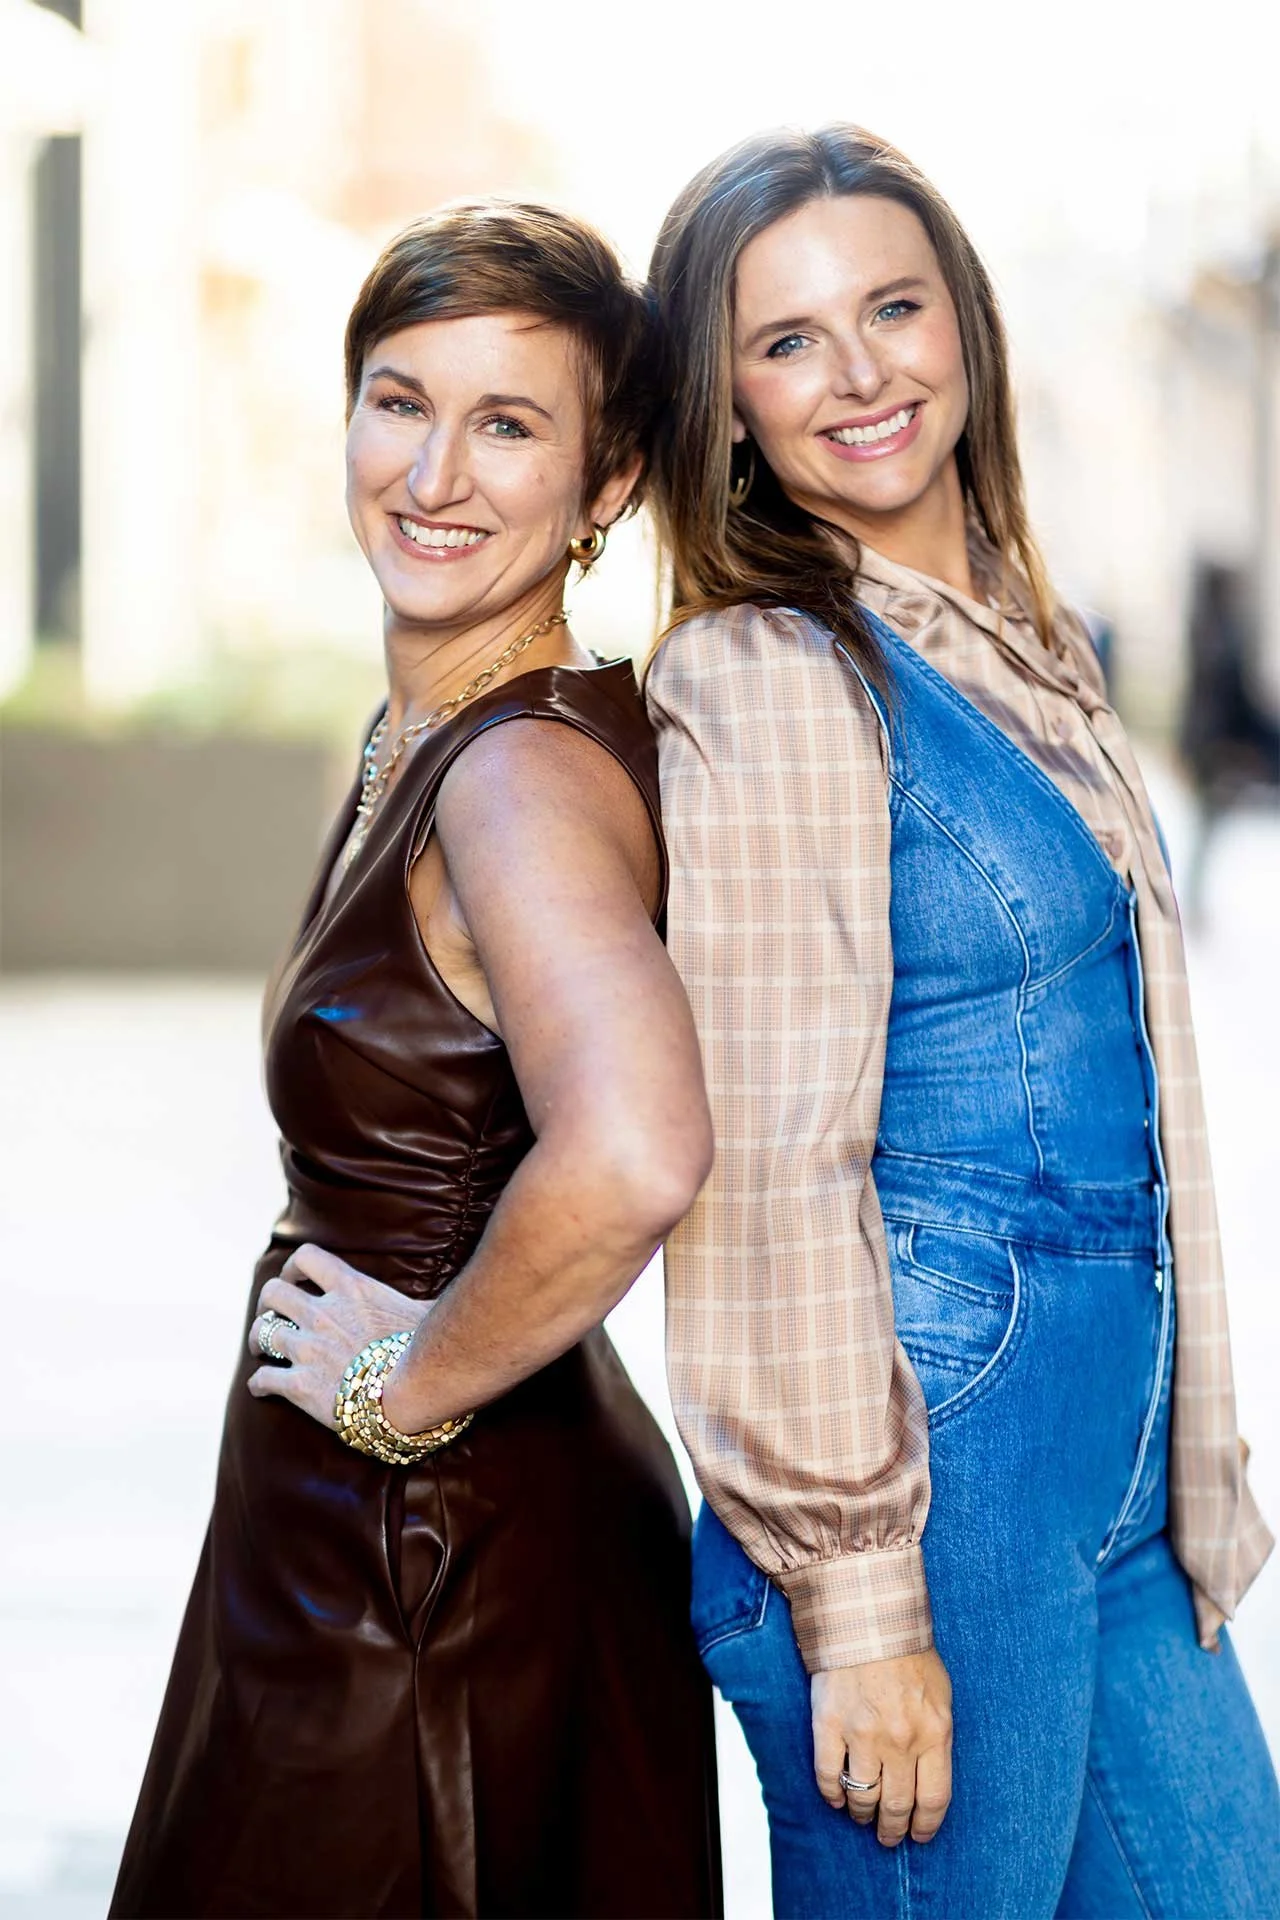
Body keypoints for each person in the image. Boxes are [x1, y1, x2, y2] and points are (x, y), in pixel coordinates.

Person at [644, 124, 1279, 1918]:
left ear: (965, 325)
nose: (859, 373)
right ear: (730, 403)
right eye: (786, 341)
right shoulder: (766, 671)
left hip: (1114, 1453)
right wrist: (857, 1606)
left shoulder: (1023, 629)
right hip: (933, 1466)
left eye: (894, 308)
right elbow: (764, 1170)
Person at [110, 200, 722, 1920]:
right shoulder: (425, 725)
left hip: (432, 1566)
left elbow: (639, 1147)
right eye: (400, 400)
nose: (434, 472)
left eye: (510, 424)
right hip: (381, 1535)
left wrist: (413, 1384)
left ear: (606, 491)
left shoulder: (515, 781)